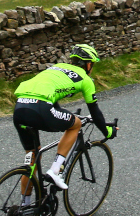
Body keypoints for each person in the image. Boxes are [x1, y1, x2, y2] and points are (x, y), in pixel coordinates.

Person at [12, 44, 115, 192]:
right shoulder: (85, 79)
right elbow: (95, 111)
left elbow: (53, 102)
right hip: (41, 107)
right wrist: (107, 132)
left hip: (20, 108)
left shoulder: (57, 67)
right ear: (88, 64)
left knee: (32, 160)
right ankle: (55, 170)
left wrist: (65, 113)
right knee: (76, 124)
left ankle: (25, 207)